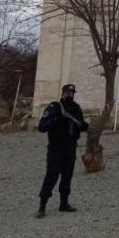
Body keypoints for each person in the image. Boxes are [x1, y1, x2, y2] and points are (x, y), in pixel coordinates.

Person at [36, 83, 89, 218]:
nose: (70, 95)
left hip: (70, 146)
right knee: (52, 176)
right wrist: (57, 120)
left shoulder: (76, 108)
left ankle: (64, 203)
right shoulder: (54, 107)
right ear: (63, 93)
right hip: (56, 147)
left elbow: (81, 125)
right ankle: (42, 206)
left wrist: (83, 126)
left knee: (67, 176)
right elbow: (42, 127)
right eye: (67, 93)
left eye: (72, 93)